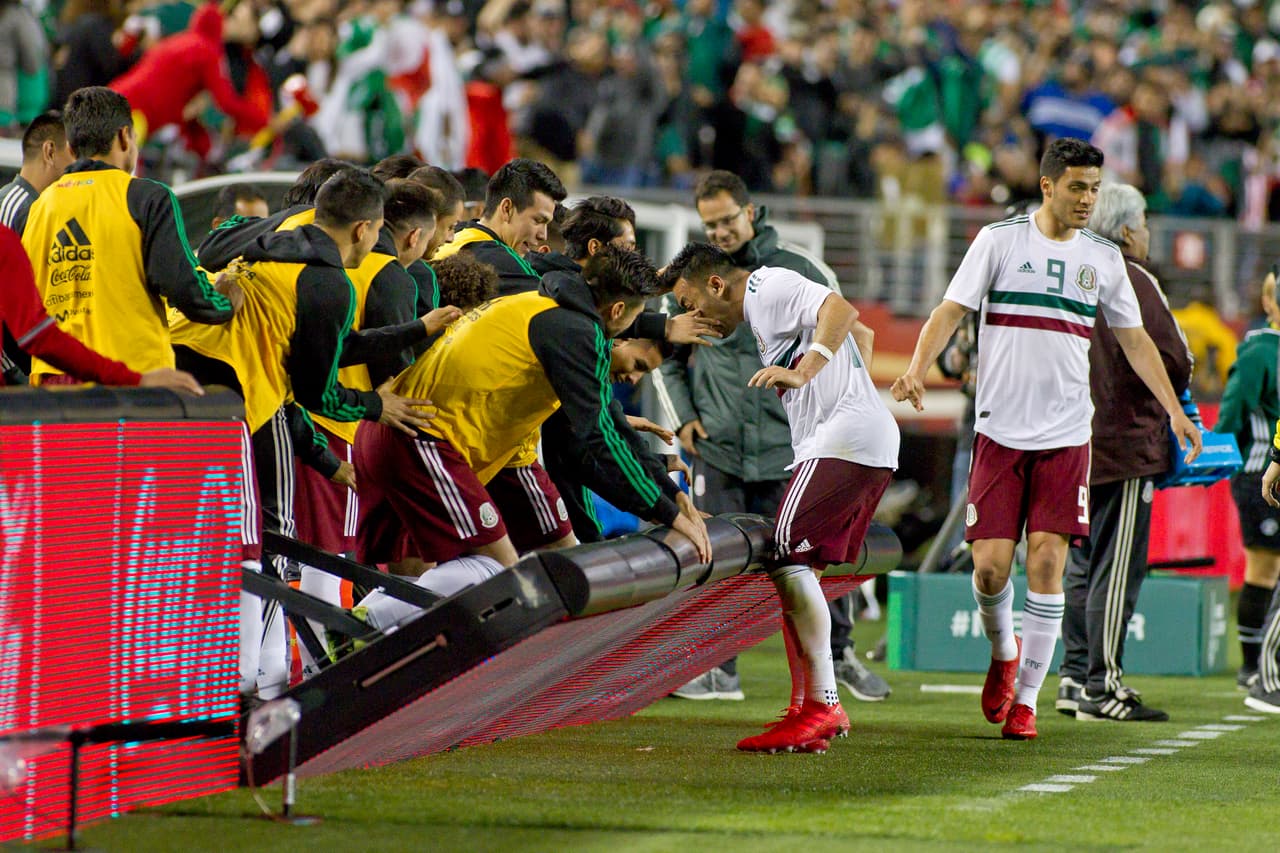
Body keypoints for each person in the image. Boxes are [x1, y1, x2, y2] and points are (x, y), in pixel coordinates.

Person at [891, 138, 1201, 741]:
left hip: (1066, 433)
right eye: (1078, 187)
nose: (1087, 199)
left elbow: (1136, 343)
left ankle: (1027, 700)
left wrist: (1176, 413)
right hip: (999, 430)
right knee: (988, 570)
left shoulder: (1103, 260)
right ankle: (1004, 652)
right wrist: (916, 368)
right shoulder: (999, 241)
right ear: (1049, 186)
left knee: (1050, 562)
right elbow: (950, 310)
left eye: (1094, 188)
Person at [169, 168, 438, 697]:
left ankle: (189, 672)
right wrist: (374, 407)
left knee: (182, 541)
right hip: (234, 400)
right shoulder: (329, 282)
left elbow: (210, 251)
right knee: (272, 534)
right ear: (363, 229)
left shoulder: (261, 232)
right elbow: (317, 392)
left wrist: (415, 329)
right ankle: (257, 681)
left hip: (170, 383)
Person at [353, 246, 713, 631]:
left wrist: (670, 497)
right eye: (639, 318)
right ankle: (366, 621)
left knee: (413, 573)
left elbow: (608, 425)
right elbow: (599, 437)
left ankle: (366, 644)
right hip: (421, 439)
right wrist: (666, 513)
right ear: (618, 312)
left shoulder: (543, 304)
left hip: (392, 435)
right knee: (502, 573)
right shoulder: (575, 330)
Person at [663, 169, 888, 704]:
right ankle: (728, 671)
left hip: (792, 448)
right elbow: (668, 355)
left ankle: (834, 666)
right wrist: (683, 415)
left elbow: (853, 328)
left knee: (802, 555)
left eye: (725, 220)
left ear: (750, 212)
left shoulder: (788, 272)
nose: (718, 231)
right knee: (739, 556)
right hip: (719, 443)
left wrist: (836, 393)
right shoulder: (697, 283)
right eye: (708, 224)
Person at [1056, 183, 1191, 723]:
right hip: (1126, 440)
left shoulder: (1068, 269)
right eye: (1146, 224)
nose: (1149, 233)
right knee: (1117, 570)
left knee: (1080, 565)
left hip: (1072, 439)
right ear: (1130, 229)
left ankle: (1071, 675)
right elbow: (1175, 359)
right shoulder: (1133, 277)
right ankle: (1101, 685)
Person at [21, 86, 239, 386]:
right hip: (131, 378)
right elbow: (182, 285)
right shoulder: (146, 196)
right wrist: (225, 302)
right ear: (125, 137)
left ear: (70, 148)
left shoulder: (40, 207)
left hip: (54, 382)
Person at [0, 223, 200, 392]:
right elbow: (37, 337)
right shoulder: (5, 240)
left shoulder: (40, 207)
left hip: (51, 377)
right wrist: (135, 379)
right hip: (104, 372)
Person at [1215, 267, 1280, 692]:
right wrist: (1221, 451)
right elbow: (1233, 408)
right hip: (1262, 471)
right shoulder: (1259, 349)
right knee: (1263, 566)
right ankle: (1252, 666)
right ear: (1268, 302)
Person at [0, 111, 74, 384]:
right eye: (73, 153)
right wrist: (17, 375)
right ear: (50, 151)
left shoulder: (40, 208)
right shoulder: (16, 207)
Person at [432, 157, 566, 294]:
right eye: (538, 220)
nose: (543, 235)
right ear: (507, 208)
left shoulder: (457, 233)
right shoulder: (505, 264)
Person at [0, 111, 73, 235]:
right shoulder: (12, 208)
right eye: (74, 152)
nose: (81, 162)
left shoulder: (43, 205)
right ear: (49, 152)